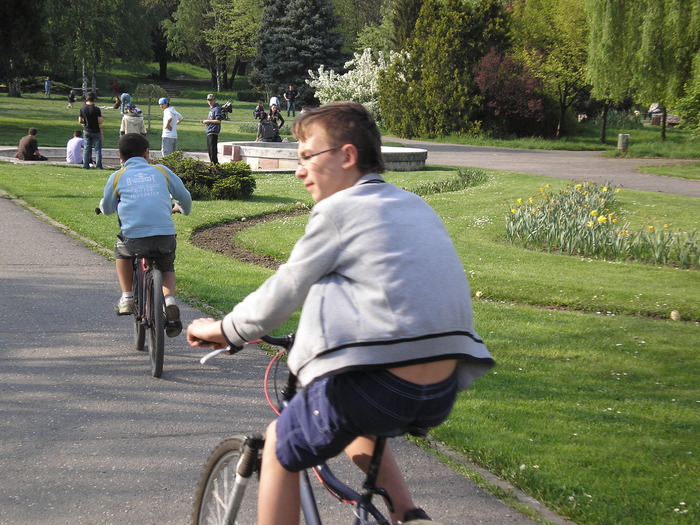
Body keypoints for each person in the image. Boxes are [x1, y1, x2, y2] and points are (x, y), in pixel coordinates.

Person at [186, 101, 494, 525]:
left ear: (347, 156)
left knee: (278, 447)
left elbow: (283, 292)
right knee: (355, 423)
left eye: (307, 156)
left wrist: (226, 329)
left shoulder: (338, 211)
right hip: (442, 384)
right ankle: (409, 515)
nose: (299, 170)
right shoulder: (414, 205)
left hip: (382, 383)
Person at [98, 133, 192, 335]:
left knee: (122, 252)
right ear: (147, 153)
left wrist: (105, 206)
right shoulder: (162, 171)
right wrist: (182, 208)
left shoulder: (117, 177)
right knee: (166, 266)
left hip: (134, 239)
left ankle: (127, 297)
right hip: (164, 236)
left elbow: (107, 207)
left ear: (120, 157)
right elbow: (184, 196)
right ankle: (169, 301)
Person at [79, 91, 104, 169]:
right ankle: (98, 165)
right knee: (97, 149)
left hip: (87, 130)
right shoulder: (96, 109)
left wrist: (86, 121)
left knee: (86, 148)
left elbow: (80, 120)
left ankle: (85, 165)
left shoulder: (82, 109)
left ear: (86, 99)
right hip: (96, 130)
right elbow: (100, 121)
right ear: (94, 99)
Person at [200, 94, 223, 164]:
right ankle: (213, 163)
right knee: (210, 149)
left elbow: (218, 120)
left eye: (211, 100)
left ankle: (214, 164)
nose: (210, 101)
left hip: (213, 131)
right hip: (209, 130)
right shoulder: (212, 108)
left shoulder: (216, 108)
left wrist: (207, 121)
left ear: (214, 100)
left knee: (212, 150)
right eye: (208, 100)